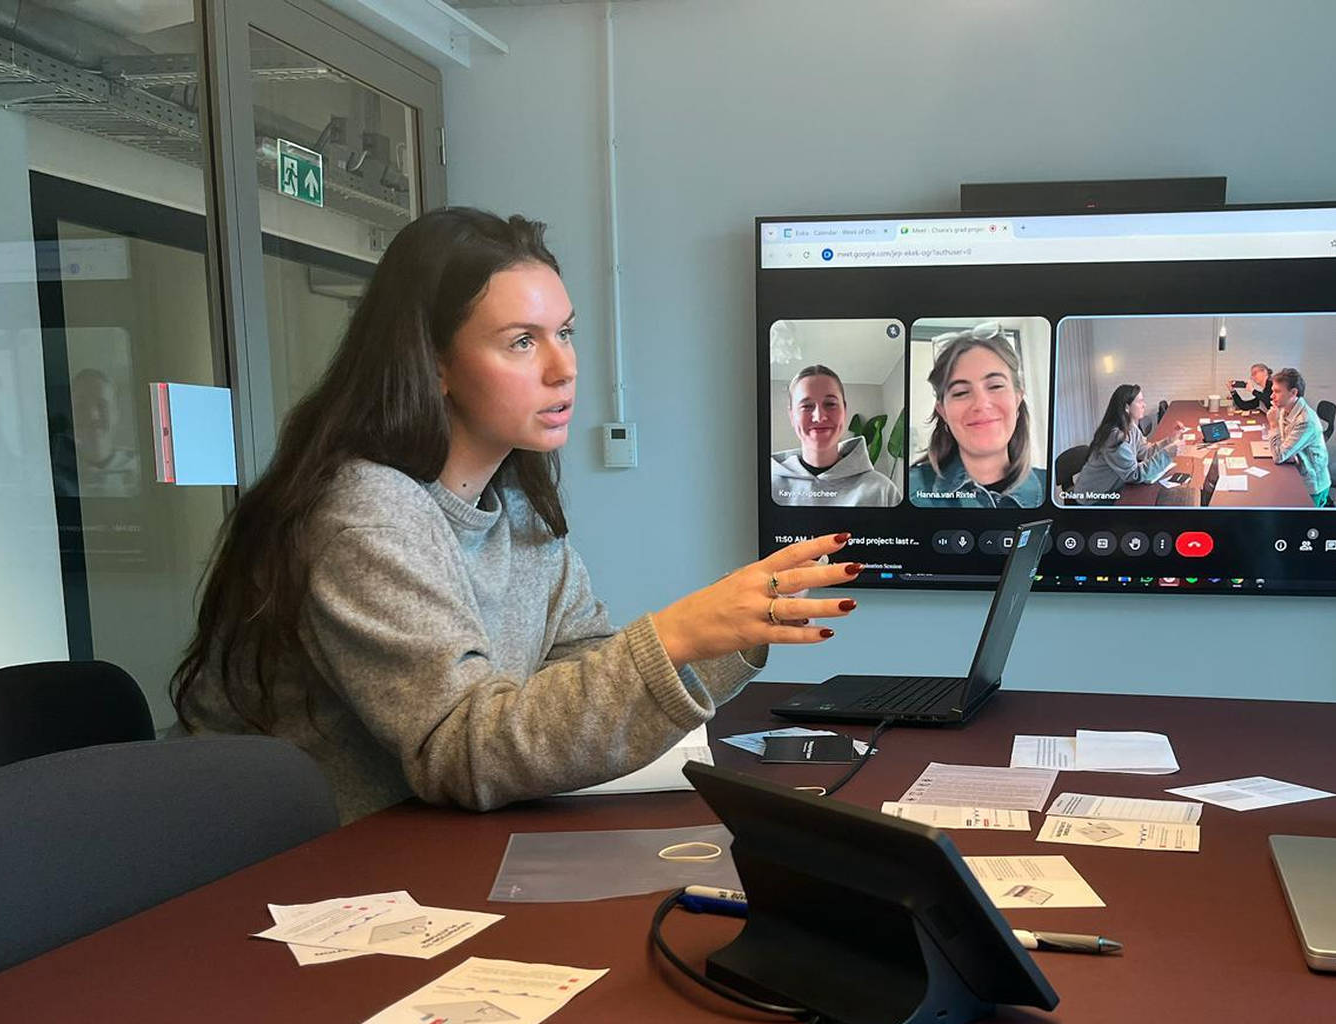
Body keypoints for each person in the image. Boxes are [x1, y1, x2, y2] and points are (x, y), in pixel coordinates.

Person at [173, 208, 859, 823]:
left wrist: (727, 631)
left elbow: (572, 674)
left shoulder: (514, 503)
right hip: (281, 873)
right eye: (522, 342)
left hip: (418, 840)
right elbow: (460, 750)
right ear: (433, 363)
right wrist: (675, 634)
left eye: (564, 332)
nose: (564, 368)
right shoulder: (367, 519)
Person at [907, 329, 1047, 508]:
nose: (981, 404)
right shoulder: (910, 488)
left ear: (1017, 399)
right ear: (943, 412)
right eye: (961, 392)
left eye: (995, 386)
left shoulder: (1052, 487)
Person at [769, 365, 901, 507]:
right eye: (806, 406)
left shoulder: (882, 491)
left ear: (844, 410)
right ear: (791, 416)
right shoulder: (766, 486)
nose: (819, 417)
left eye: (830, 404)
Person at [1070, 384, 1181, 497]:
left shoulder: (1130, 426)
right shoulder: (1115, 437)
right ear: (1126, 407)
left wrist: (1169, 441)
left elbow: (1144, 451)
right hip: (1094, 497)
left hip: (1112, 488)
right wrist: (1166, 454)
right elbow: (1134, 475)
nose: (1144, 405)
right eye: (1140, 402)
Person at [1270, 367, 1331, 505]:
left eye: (1277, 391)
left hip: (1312, 487)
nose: (1272, 396)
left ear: (1293, 393)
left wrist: (1273, 425)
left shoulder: (1305, 420)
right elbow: (1284, 447)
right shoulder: (1284, 409)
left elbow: (1279, 456)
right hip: (1296, 474)